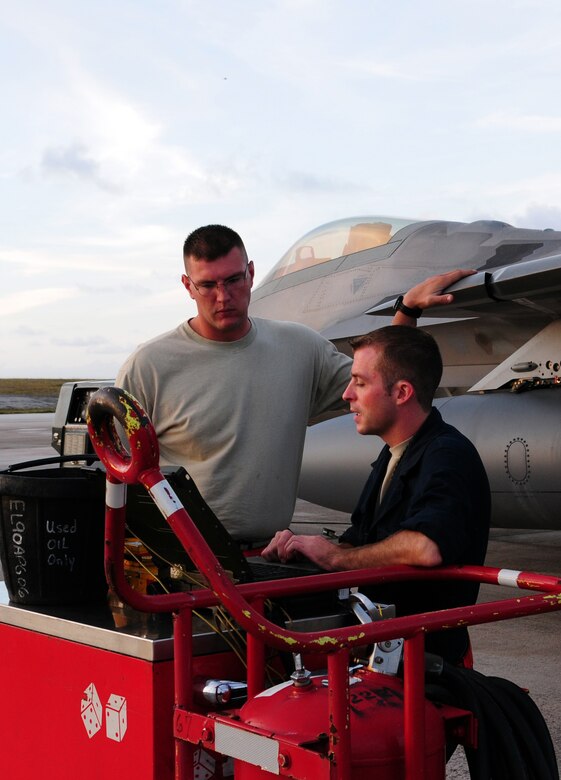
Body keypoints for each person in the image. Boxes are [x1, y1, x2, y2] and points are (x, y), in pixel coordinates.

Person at [117, 224, 472, 543]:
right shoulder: (148, 367)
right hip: (178, 561)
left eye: (233, 281)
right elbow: (116, 477)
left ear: (251, 273)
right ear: (187, 286)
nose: (223, 297)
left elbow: (379, 379)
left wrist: (406, 311)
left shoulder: (300, 348)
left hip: (267, 557)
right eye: (207, 285)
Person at [262, 326, 491, 664]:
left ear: (401, 392)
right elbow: (362, 541)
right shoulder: (393, 455)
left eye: (361, 382)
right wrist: (306, 549)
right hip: (389, 650)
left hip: (428, 662)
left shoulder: (447, 454)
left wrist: (336, 559)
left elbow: (427, 547)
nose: (346, 395)